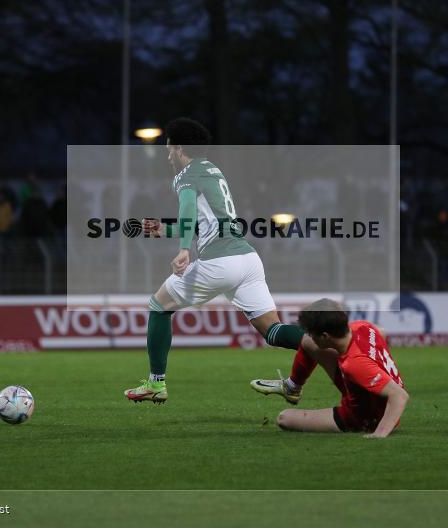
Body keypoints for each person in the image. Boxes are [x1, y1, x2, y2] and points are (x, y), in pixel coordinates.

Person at [124, 118, 305, 404]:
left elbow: (187, 209)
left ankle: (156, 383)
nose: (168, 155)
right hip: (248, 260)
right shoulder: (212, 169)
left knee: (159, 306)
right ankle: (334, 344)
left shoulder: (185, 175)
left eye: (169, 148)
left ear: (179, 148)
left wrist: (184, 249)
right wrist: (163, 230)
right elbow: (202, 222)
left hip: (220, 263)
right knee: (273, 331)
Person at [252, 299, 409, 438]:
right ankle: (292, 387)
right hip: (365, 395)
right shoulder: (363, 326)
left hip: (366, 417)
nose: (310, 335)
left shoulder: (355, 364)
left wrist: (380, 432)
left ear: (325, 336)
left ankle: (372, 422)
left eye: (312, 333)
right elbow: (381, 332)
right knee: (307, 342)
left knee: (284, 418)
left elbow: (399, 395)